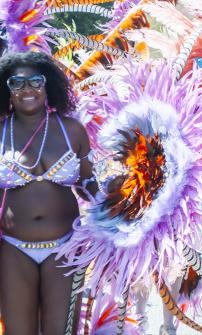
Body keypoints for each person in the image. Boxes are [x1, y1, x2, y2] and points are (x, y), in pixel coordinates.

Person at [0, 52, 97, 334]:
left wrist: (113, 201)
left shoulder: (72, 130)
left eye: (35, 81)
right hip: (13, 248)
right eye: (16, 83)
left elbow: (87, 182)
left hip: (65, 247)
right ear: (7, 89)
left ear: (48, 86)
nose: (27, 89)